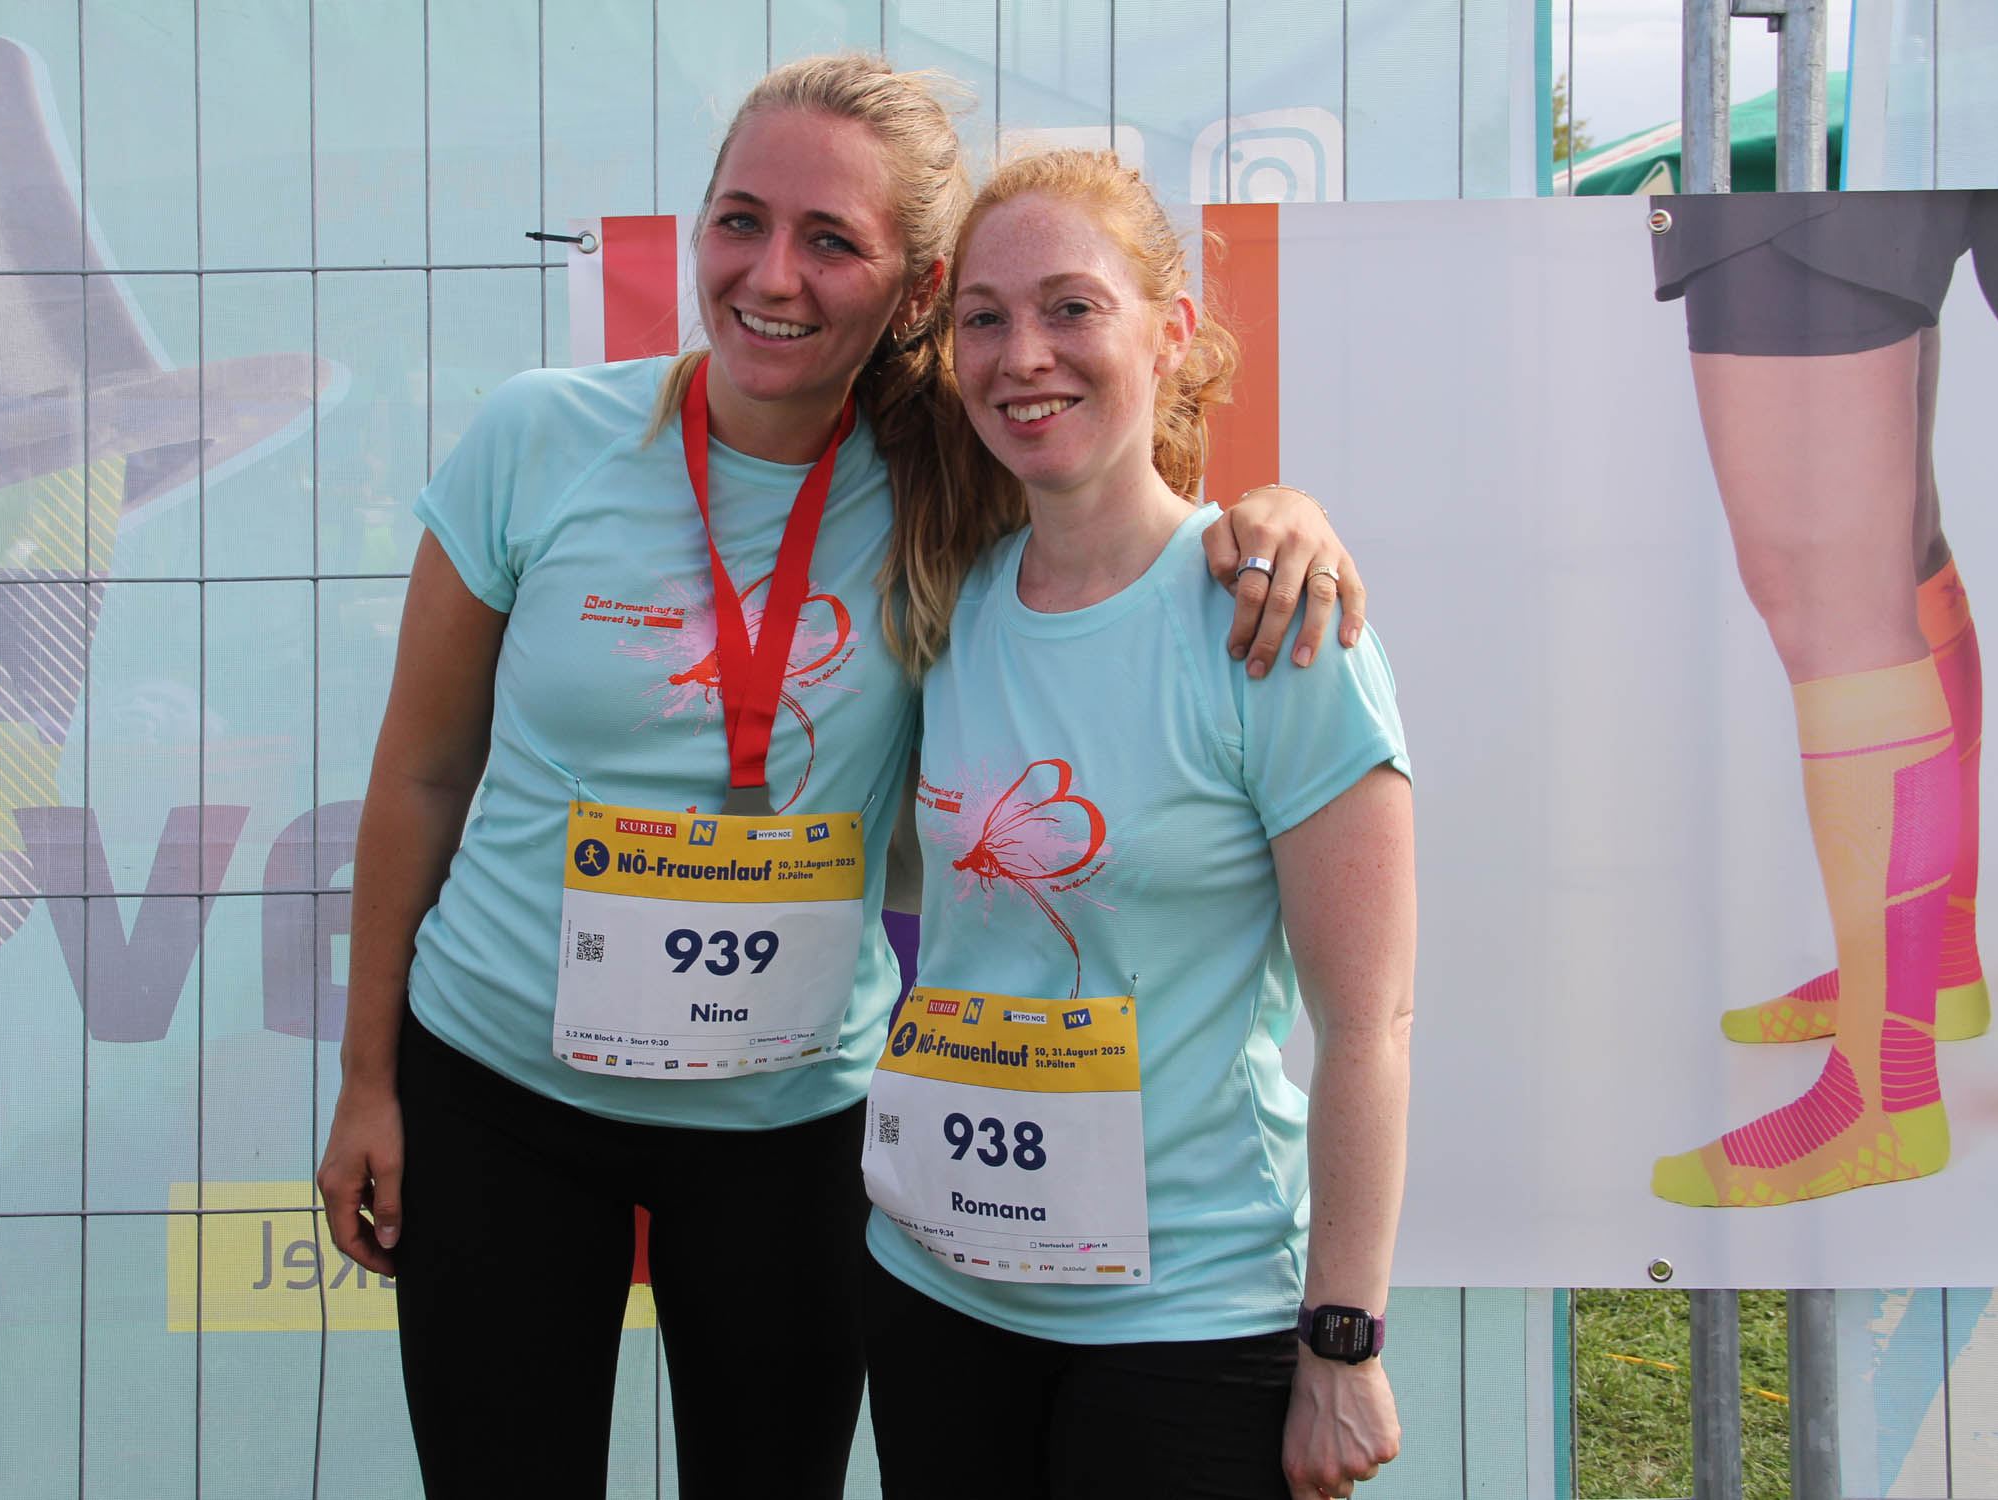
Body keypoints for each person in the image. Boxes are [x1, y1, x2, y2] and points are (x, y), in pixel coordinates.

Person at [314, 56, 1368, 1498]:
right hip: (498, 1090)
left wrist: (1275, 514)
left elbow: (1122, 496)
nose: (773, 276)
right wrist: (367, 1079)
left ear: (915, 291)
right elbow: (423, 774)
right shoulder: (538, 437)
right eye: (739, 221)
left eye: (831, 241)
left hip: (793, 1128)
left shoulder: (956, 472)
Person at [858, 150, 1413, 1500]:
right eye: (983, 318)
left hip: (1187, 1323)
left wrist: (1342, 1339)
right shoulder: (945, 600)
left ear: (1171, 334)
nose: (1022, 355)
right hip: (939, 1295)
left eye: (1071, 307)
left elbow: (1367, 1023)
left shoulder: (1273, 624)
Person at [1643, 190, 1998, 1208]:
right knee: (1897, 548)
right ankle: (1933, 967)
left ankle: (1883, 1093)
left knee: (1835, 597)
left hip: (1828, 120)